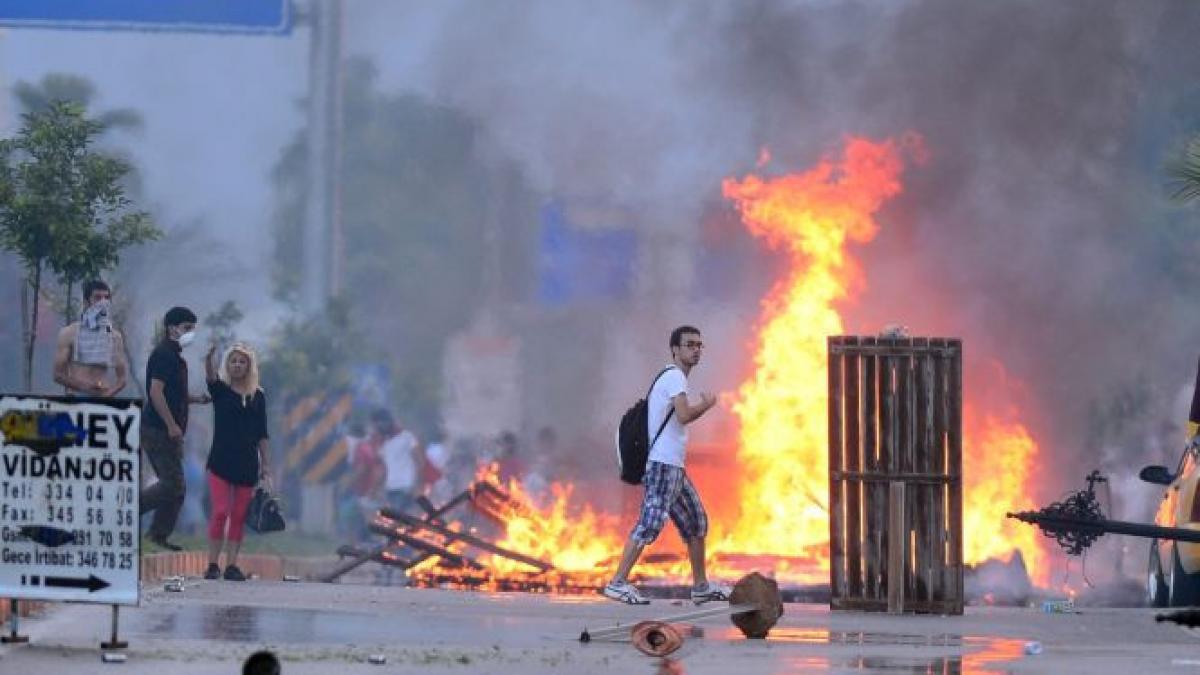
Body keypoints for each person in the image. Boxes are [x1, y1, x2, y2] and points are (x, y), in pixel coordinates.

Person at [603, 325, 728, 605]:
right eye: (689, 345)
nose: (695, 350)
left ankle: (701, 587)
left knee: (696, 522)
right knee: (649, 524)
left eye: (699, 345)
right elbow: (683, 415)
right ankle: (617, 583)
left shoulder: (675, 378)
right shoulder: (674, 377)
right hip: (662, 466)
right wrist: (706, 405)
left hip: (674, 467)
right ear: (675, 349)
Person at [203, 341, 271, 582]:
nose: (238, 365)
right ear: (228, 365)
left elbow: (263, 433)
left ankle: (231, 565)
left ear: (249, 366)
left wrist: (266, 465)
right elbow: (210, 377)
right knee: (221, 511)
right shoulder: (220, 390)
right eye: (233, 361)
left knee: (239, 515)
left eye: (242, 362)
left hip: (247, 464)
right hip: (220, 461)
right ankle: (212, 564)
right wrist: (209, 358)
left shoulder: (258, 396)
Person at [140, 306, 206, 551]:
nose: (191, 334)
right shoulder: (164, 355)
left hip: (168, 430)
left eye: (193, 329)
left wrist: (196, 399)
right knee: (172, 485)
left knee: (178, 488)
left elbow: (172, 393)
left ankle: (158, 535)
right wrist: (170, 424)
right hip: (158, 429)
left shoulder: (175, 357)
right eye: (187, 328)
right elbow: (156, 392)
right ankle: (126, 514)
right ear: (172, 328)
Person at [52, 280, 128, 396]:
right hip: (76, 398)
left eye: (106, 298)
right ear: (86, 302)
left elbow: (122, 378)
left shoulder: (114, 336)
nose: (103, 303)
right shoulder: (69, 333)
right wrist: (86, 388)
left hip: (103, 398)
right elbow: (58, 374)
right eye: (97, 298)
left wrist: (108, 394)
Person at [378, 411, 421, 515]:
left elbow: (419, 460)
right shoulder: (384, 445)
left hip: (405, 487)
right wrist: (379, 489)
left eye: (381, 424)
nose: (379, 428)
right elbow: (385, 470)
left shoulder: (407, 437)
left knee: (402, 518)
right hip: (391, 489)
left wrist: (417, 484)